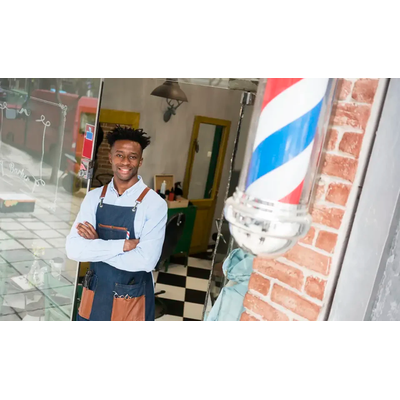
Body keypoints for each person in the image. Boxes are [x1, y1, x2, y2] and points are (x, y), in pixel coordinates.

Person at [66, 126, 167, 321]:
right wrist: (123, 245)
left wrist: (96, 245)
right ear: (110, 158)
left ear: (140, 161)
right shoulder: (93, 198)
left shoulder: (154, 204)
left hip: (132, 297)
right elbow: (74, 250)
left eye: (132, 156)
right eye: (120, 155)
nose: (126, 162)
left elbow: (146, 261)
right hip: (95, 292)